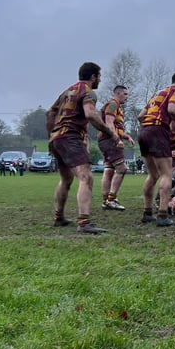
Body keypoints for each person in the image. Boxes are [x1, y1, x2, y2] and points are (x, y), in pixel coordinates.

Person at [47, 61, 123, 234]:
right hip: (70, 137)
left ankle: (59, 217)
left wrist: (52, 135)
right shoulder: (87, 92)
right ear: (93, 76)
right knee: (86, 177)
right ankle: (84, 222)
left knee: (66, 179)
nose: (100, 81)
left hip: (57, 138)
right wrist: (110, 133)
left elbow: (51, 113)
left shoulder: (67, 91)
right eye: (99, 77)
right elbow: (90, 114)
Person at [137, 71, 175, 226]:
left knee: (153, 174)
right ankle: (162, 216)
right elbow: (172, 110)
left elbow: (141, 116)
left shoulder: (157, 94)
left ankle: (147, 213)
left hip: (144, 131)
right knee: (167, 174)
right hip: (157, 131)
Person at [99, 85, 135, 211]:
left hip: (105, 140)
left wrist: (126, 136)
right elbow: (109, 124)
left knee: (109, 169)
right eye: (125, 94)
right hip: (110, 140)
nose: (127, 97)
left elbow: (115, 126)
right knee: (122, 168)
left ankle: (105, 201)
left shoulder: (116, 107)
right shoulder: (113, 104)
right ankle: (111, 199)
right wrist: (117, 139)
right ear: (118, 93)